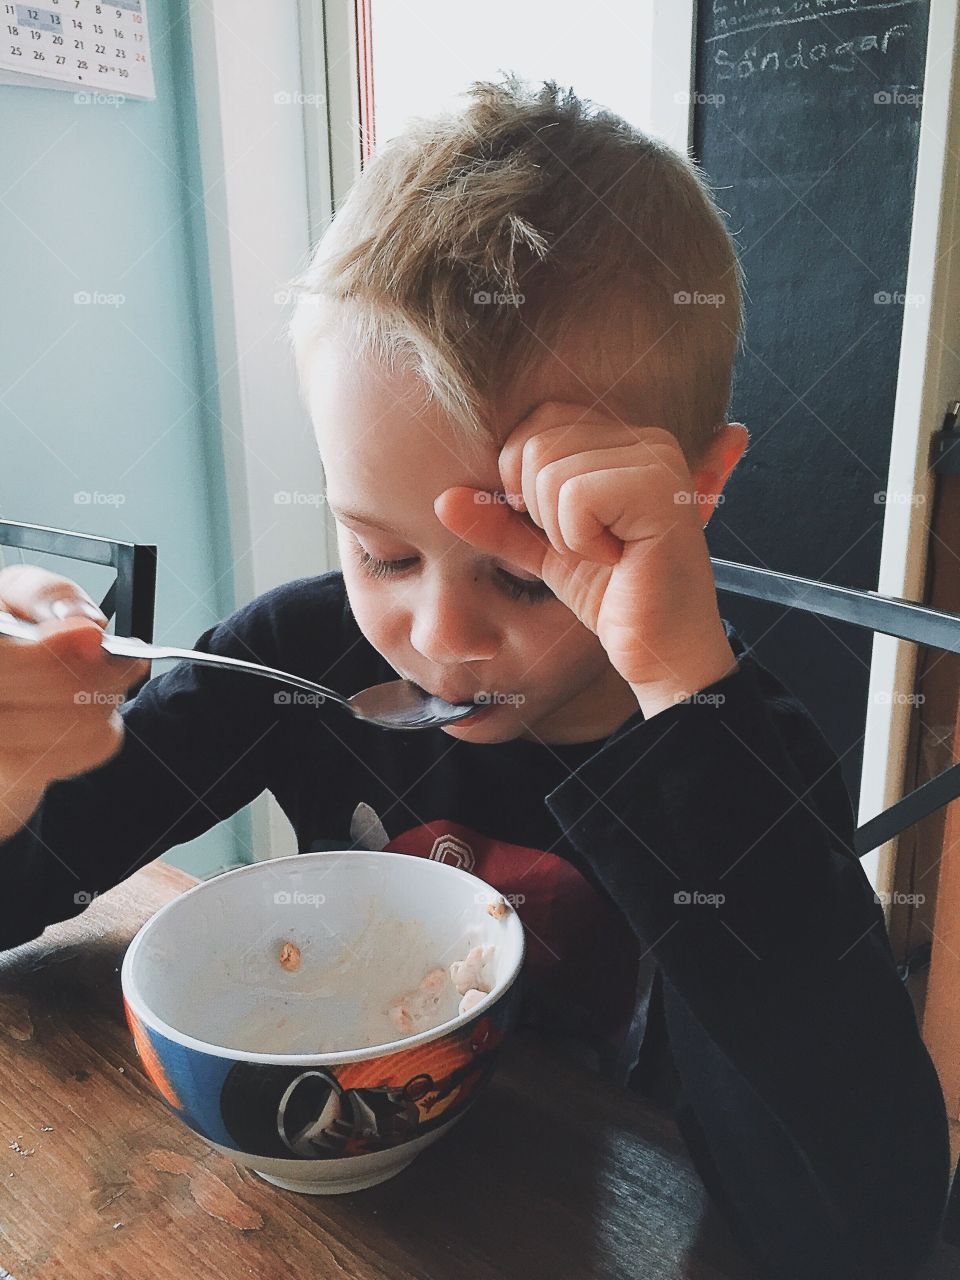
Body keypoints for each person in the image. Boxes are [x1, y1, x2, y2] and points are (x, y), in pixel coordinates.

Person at [0, 75, 950, 1279]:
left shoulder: (729, 753)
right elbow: (32, 883)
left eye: (524, 572)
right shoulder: (294, 663)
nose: (438, 636)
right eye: (381, 550)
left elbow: (860, 1217)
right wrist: (15, 778)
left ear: (692, 494)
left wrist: (679, 683)